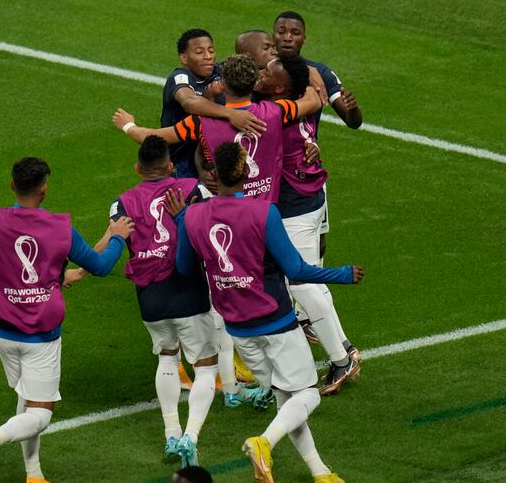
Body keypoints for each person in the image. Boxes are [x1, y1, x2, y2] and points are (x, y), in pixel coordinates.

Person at [0, 157, 134, 483]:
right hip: (41, 336)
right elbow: (101, 266)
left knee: (26, 396)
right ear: (44, 189)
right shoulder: (61, 228)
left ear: (11, 185)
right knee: (41, 414)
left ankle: (33, 474)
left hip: (3, 331)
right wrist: (117, 236)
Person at [65, 136, 269, 467]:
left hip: (150, 298)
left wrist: (79, 271)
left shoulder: (122, 203)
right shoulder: (193, 189)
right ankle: (191, 436)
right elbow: (223, 218)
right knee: (205, 366)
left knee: (167, 359)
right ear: (170, 166)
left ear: (137, 167)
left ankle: (171, 434)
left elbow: (109, 238)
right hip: (187, 288)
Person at [168, 142, 362, 483]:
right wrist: (342, 274)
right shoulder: (264, 212)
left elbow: (184, 268)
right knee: (307, 394)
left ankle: (321, 473)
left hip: (238, 329)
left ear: (214, 176)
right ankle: (263, 442)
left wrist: (183, 220)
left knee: (287, 399)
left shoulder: (194, 215)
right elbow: (296, 269)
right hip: (276, 322)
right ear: (246, 173)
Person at [253, 55, 361, 395]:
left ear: (282, 87)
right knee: (306, 278)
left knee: (301, 282)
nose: (261, 72)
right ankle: (343, 346)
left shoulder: (273, 114)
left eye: (268, 71)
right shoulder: (307, 103)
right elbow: (313, 82)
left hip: (294, 206)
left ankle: (342, 359)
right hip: (307, 199)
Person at [114, 53, 322, 202]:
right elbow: (313, 101)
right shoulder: (276, 111)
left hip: (222, 208)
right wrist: (308, 74)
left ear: (222, 83)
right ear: (253, 84)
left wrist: (128, 125)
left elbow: (151, 137)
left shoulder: (200, 122)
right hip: (264, 213)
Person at [161, 28, 267, 179]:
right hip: (180, 164)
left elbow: (246, 69)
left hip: (211, 162)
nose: (208, 57)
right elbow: (189, 102)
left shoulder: (218, 71)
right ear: (184, 58)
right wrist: (231, 114)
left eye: (211, 50)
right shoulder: (180, 77)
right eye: (199, 52)